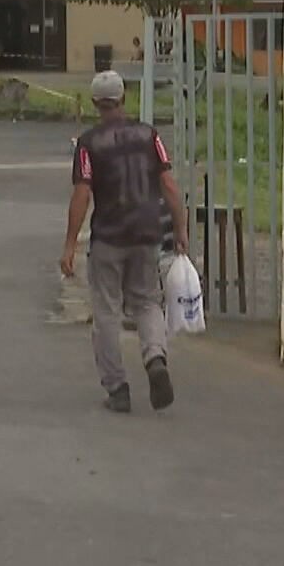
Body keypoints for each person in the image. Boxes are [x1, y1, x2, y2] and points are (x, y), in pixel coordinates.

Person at [60, 70, 190, 413]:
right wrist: (180, 228)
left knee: (106, 311)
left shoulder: (88, 143)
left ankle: (117, 387)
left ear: (94, 103)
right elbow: (170, 186)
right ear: (123, 98)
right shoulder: (149, 136)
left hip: (109, 236)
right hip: (146, 233)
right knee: (147, 302)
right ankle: (155, 357)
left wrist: (70, 244)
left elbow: (82, 194)